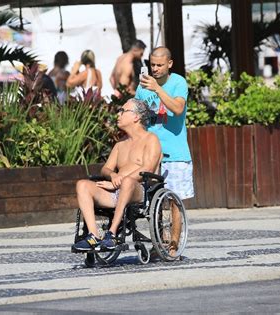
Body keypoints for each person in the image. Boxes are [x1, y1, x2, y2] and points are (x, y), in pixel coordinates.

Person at [72, 98, 161, 251]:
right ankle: (93, 236)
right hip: (116, 190)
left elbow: (148, 167)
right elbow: (105, 169)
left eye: (123, 111)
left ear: (136, 117)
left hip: (139, 190)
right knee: (83, 185)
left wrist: (121, 181)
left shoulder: (150, 139)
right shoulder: (120, 144)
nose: (118, 115)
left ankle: (112, 234)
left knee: (127, 182)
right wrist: (113, 176)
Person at [135, 46, 194, 256]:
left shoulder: (178, 82)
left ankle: (174, 244)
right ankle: (159, 239)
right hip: (152, 153)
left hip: (176, 153)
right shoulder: (143, 86)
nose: (155, 69)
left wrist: (158, 90)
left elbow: (177, 109)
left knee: (174, 201)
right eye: (152, 65)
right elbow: (138, 117)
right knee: (153, 202)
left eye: (160, 65)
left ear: (170, 64)